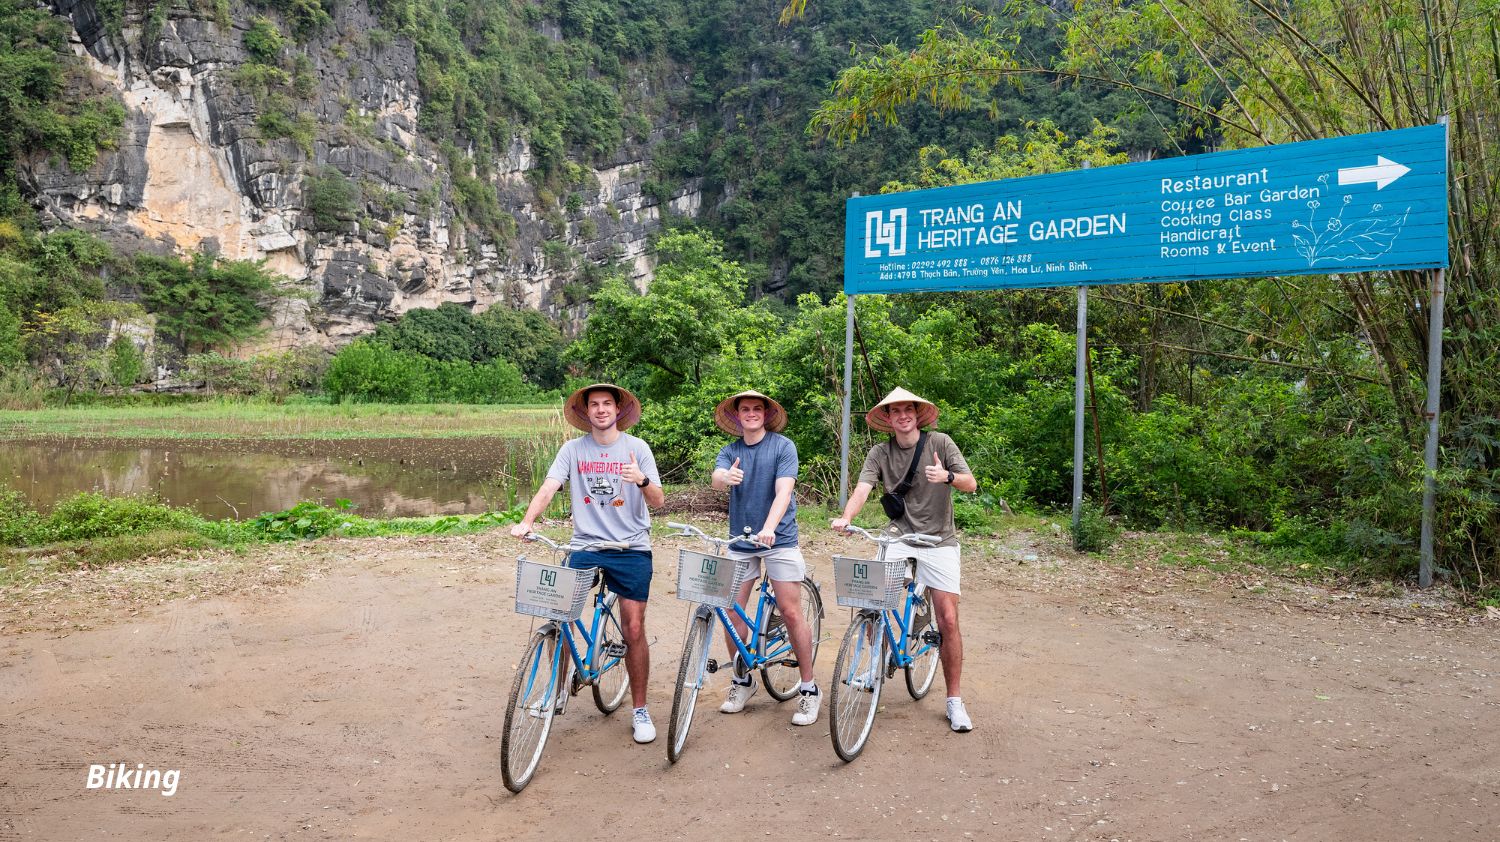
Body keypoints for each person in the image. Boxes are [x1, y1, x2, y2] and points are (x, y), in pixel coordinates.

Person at [510, 383, 665, 743]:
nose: (600, 410)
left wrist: (639, 479)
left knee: (634, 629)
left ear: (618, 410)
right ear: (585, 412)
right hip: (585, 545)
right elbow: (549, 487)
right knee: (559, 613)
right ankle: (557, 689)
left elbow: (658, 501)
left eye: (606, 404)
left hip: (631, 548)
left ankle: (640, 710)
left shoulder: (637, 448)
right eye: (593, 404)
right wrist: (527, 521)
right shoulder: (573, 449)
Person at [830, 387, 978, 732]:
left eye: (907, 409)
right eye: (895, 411)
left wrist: (948, 477)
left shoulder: (940, 443)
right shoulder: (880, 452)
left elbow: (971, 483)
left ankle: (954, 700)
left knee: (948, 619)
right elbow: (863, 488)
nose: (902, 416)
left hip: (940, 539)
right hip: (899, 535)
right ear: (888, 418)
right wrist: (847, 517)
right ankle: (879, 660)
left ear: (916, 413)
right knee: (872, 599)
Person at [709, 390, 821, 726]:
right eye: (745, 409)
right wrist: (723, 478)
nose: (751, 413)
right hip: (741, 540)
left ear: (766, 414)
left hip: (779, 538)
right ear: (737, 416)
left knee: (789, 611)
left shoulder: (783, 447)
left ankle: (809, 688)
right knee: (730, 612)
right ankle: (742, 680)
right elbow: (716, 477)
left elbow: (784, 491)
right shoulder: (731, 450)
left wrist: (769, 528)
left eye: (758, 409)